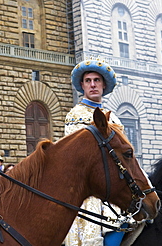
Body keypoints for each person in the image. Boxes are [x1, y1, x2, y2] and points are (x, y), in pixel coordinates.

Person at [64, 59, 124, 246]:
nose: (92, 84)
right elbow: (79, 156)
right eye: (88, 80)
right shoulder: (75, 114)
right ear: (82, 85)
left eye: (96, 80)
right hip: (90, 188)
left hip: (116, 182)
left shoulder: (112, 115)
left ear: (103, 84)